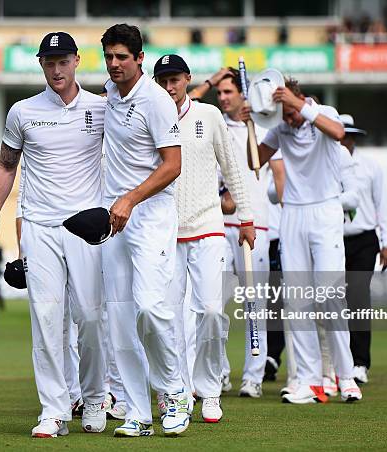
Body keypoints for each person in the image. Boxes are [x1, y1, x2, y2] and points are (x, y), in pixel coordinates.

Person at [0, 31, 107, 437]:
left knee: (89, 318)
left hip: (87, 229)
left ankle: (94, 398)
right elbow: (5, 166)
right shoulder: (21, 111)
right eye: (49, 62)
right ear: (41, 64)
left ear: (76, 61)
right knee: (47, 318)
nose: (56, 69)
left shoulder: (103, 108)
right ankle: (53, 410)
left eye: (63, 61)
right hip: (39, 227)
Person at [243, 78, 363, 404]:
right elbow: (254, 162)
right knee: (297, 300)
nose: (288, 119)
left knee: (329, 296)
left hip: (325, 209)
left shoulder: (321, 112)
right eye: (282, 113)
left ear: (300, 98)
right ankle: (309, 382)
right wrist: (251, 125)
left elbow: (339, 134)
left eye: (290, 111)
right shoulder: (280, 126)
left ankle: (347, 376)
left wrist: (298, 107)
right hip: (293, 214)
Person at [154, 54, 255, 423]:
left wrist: (245, 217)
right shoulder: (153, 116)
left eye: (175, 79)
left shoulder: (209, 116)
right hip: (166, 231)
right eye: (163, 80)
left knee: (211, 311)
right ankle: (179, 390)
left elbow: (232, 167)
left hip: (209, 226)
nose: (169, 87)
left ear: (187, 79)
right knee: (172, 318)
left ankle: (210, 390)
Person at [100, 24, 188, 437]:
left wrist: (130, 199)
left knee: (151, 308)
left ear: (139, 59)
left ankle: (174, 394)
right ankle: (138, 412)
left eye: (122, 57)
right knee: (119, 318)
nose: (114, 64)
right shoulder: (109, 92)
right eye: (109, 57)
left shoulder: (156, 100)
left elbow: (173, 165)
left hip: (149, 215)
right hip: (113, 221)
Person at [195, 67, 285, 398]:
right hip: (217, 226)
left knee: (254, 306)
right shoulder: (211, 125)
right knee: (211, 307)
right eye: (219, 93)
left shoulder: (264, 127)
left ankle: (253, 377)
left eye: (228, 92)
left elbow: (271, 170)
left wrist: (251, 124)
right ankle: (217, 373)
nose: (222, 98)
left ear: (242, 95)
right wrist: (223, 198)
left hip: (254, 226)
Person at [340, 114, 387, 384]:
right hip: (333, 239)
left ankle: (360, 362)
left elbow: (382, 204)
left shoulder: (370, 166)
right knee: (331, 300)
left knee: (358, 298)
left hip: (363, 240)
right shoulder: (327, 163)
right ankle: (337, 363)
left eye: (348, 136)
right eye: (340, 135)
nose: (344, 140)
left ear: (354, 138)